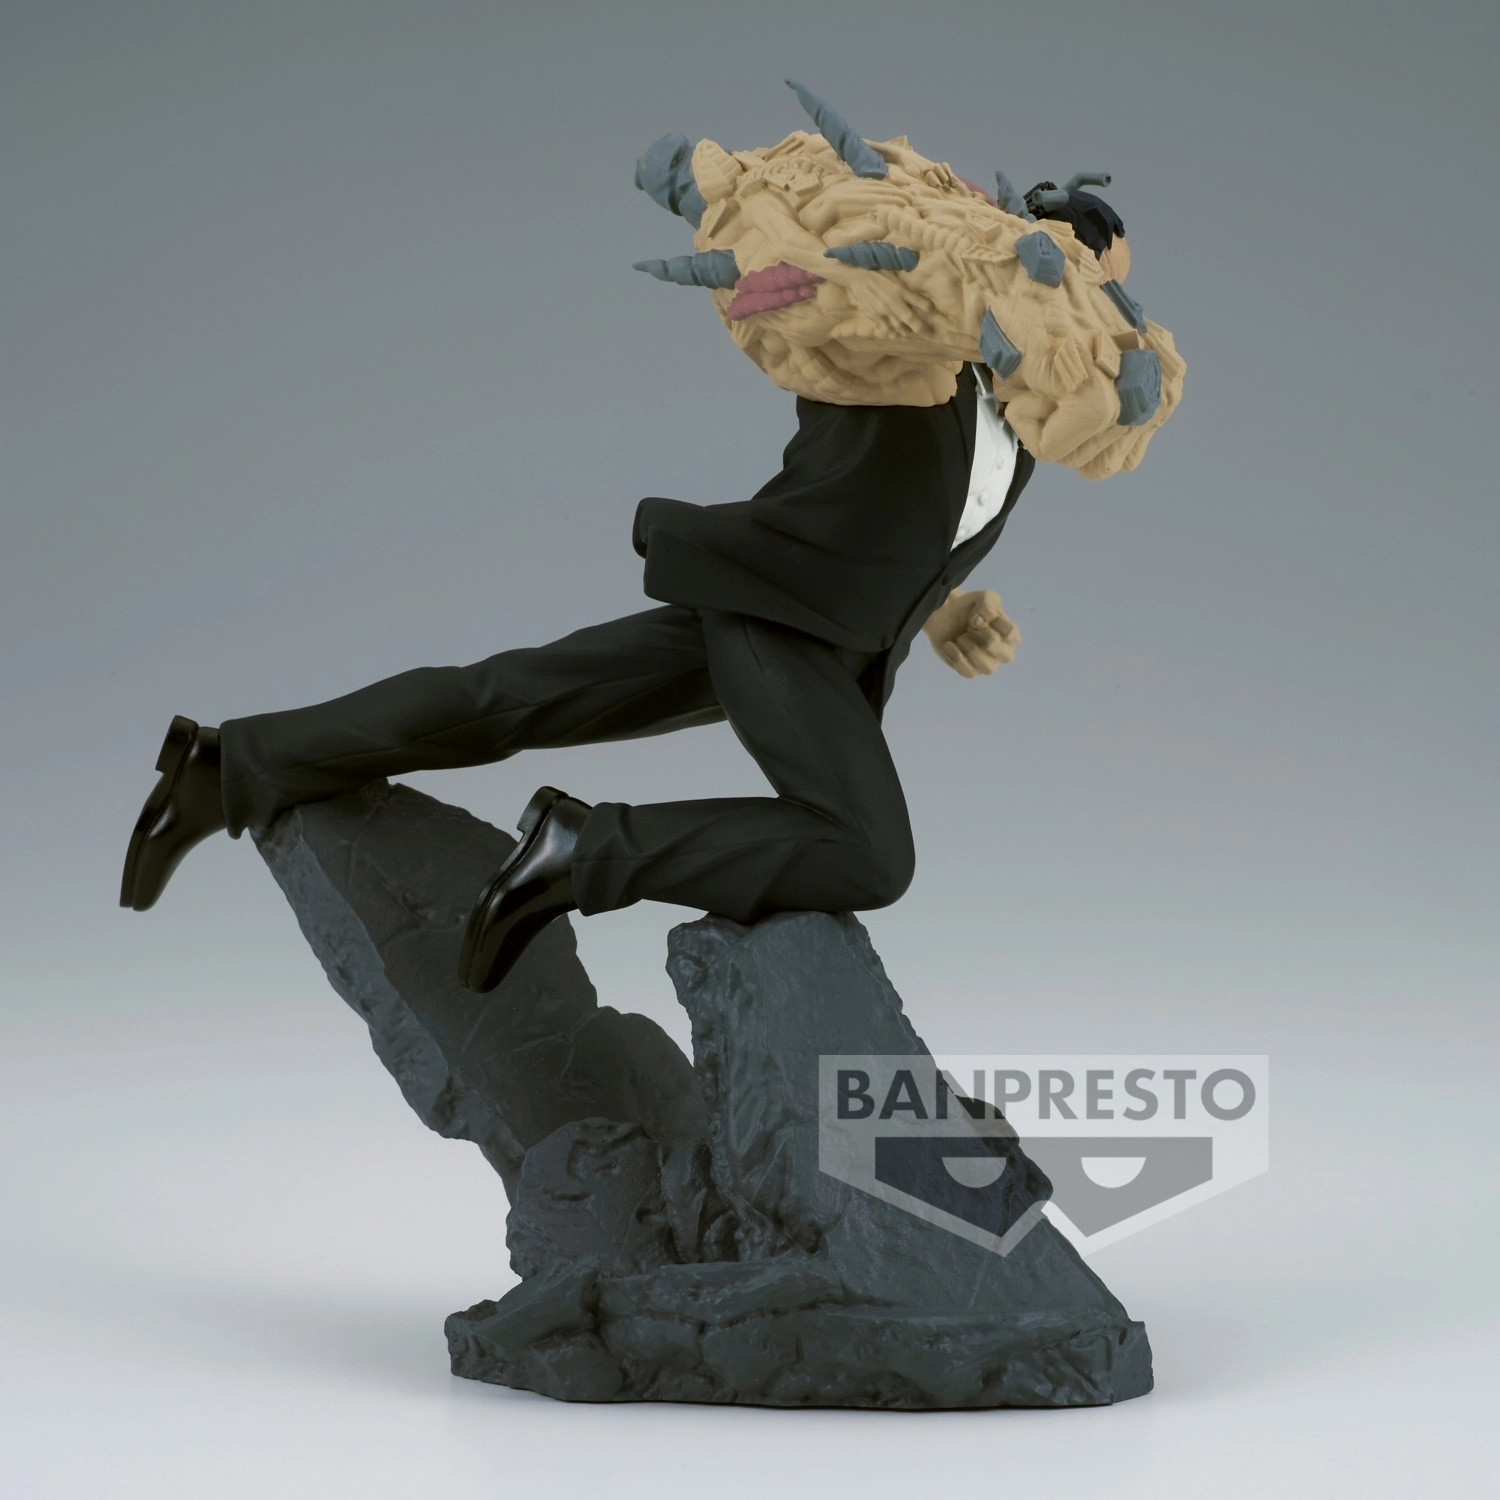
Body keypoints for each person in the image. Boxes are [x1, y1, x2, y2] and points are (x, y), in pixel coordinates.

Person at [120, 355, 1031, 993]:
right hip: (778, 617)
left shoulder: (1028, 425)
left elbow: (882, 510)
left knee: (510, 696)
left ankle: (228, 763)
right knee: (869, 852)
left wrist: (942, 607)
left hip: (812, 622)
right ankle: (579, 851)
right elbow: (828, 326)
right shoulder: (911, 348)